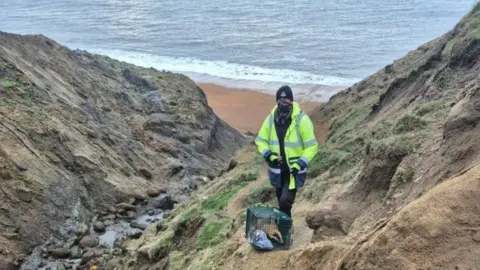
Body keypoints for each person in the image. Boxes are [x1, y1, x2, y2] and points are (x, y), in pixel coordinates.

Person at [254, 85, 318, 218]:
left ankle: (285, 232)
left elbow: (312, 146)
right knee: (280, 200)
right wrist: (269, 155)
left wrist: (299, 164)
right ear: (277, 101)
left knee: (285, 201)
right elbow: (260, 140)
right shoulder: (271, 119)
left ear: (291, 101)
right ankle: (286, 229)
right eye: (280, 101)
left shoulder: (302, 120)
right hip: (277, 170)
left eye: (286, 100)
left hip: (293, 171)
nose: (283, 103)